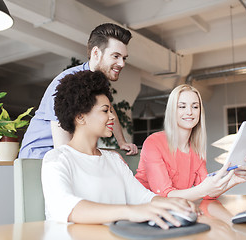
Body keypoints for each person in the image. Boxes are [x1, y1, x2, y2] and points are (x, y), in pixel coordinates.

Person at [41, 70, 197, 229]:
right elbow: (67, 207)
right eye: (105, 111)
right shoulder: (56, 159)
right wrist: (130, 211)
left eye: (110, 110)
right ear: (81, 117)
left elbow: (143, 197)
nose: (112, 117)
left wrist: (173, 203)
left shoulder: (113, 159)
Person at [19, 23, 138, 159]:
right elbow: (62, 148)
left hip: (62, 156)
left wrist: (122, 142)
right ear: (96, 53)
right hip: (39, 156)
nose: (122, 63)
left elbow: (110, 110)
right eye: (116, 56)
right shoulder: (67, 83)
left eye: (124, 58)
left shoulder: (97, 83)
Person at [135, 84, 246, 201]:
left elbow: (207, 193)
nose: (189, 112)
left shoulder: (196, 149)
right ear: (172, 111)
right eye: (182, 106)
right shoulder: (153, 142)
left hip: (174, 211)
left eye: (195, 107)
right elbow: (163, 195)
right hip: (143, 210)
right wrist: (203, 189)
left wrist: (234, 179)